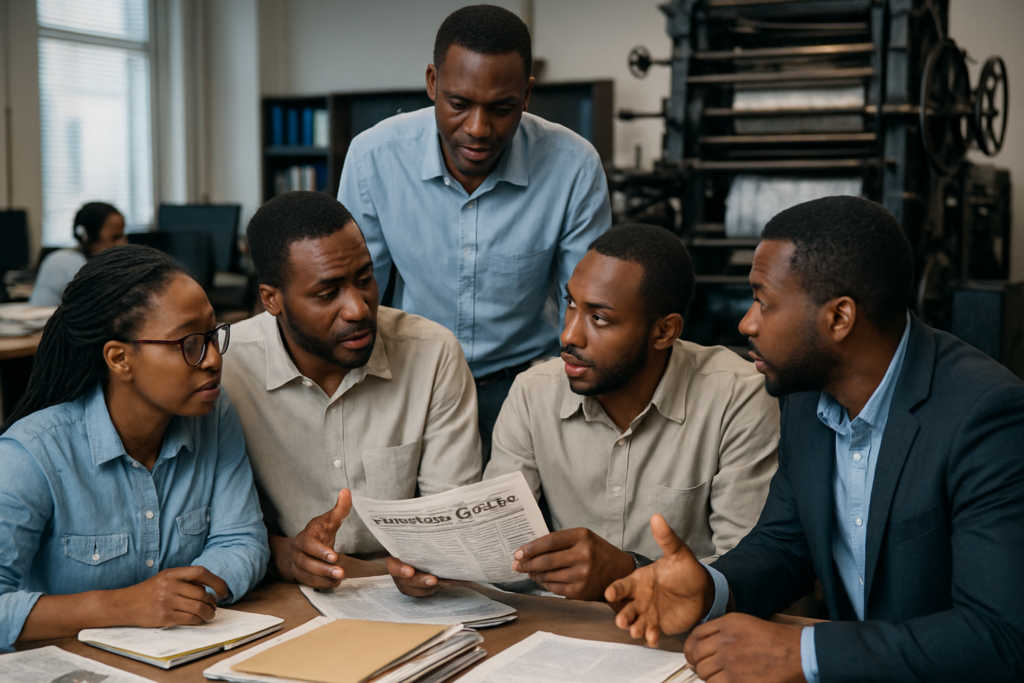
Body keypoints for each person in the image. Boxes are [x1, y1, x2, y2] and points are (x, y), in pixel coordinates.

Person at [606, 197, 1024, 682]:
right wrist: (711, 587)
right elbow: (786, 543)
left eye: (763, 300)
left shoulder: (988, 416)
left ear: (839, 318)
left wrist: (801, 652)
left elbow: (998, 637)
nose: (746, 323)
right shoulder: (807, 395)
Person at [388, 225, 779, 601]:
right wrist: (436, 569)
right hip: (564, 629)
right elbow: (501, 553)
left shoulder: (738, 398)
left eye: (599, 318)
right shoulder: (532, 392)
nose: (569, 336)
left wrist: (628, 571)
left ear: (664, 332)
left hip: (684, 635)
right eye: (571, 304)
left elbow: (746, 570)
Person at [337, 4, 613, 460]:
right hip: (411, 384)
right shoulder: (373, 159)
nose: (478, 129)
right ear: (432, 83)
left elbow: (583, 306)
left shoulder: (573, 167)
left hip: (526, 387)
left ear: (526, 95)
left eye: (501, 108)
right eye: (459, 104)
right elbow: (358, 296)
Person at [0, 245, 269, 652]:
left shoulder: (214, 413)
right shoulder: (30, 454)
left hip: (183, 660)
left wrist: (183, 600)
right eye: (190, 343)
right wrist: (126, 605)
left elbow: (242, 540)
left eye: (213, 335)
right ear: (119, 358)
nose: (213, 359)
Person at [220, 191, 481, 589]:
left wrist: (427, 565)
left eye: (365, 280)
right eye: (327, 294)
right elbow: (208, 529)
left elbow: (450, 528)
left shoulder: (432, 354)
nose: (358, 308)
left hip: (412, 593)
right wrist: (285, 554)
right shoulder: (227, 368)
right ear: (272, 299)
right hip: (279, 591)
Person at [29, 202, 128, 306]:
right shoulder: (64, 263)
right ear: (87, 237)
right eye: (115, 237)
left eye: (123, 236)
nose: (123, 244)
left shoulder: (118, 266)